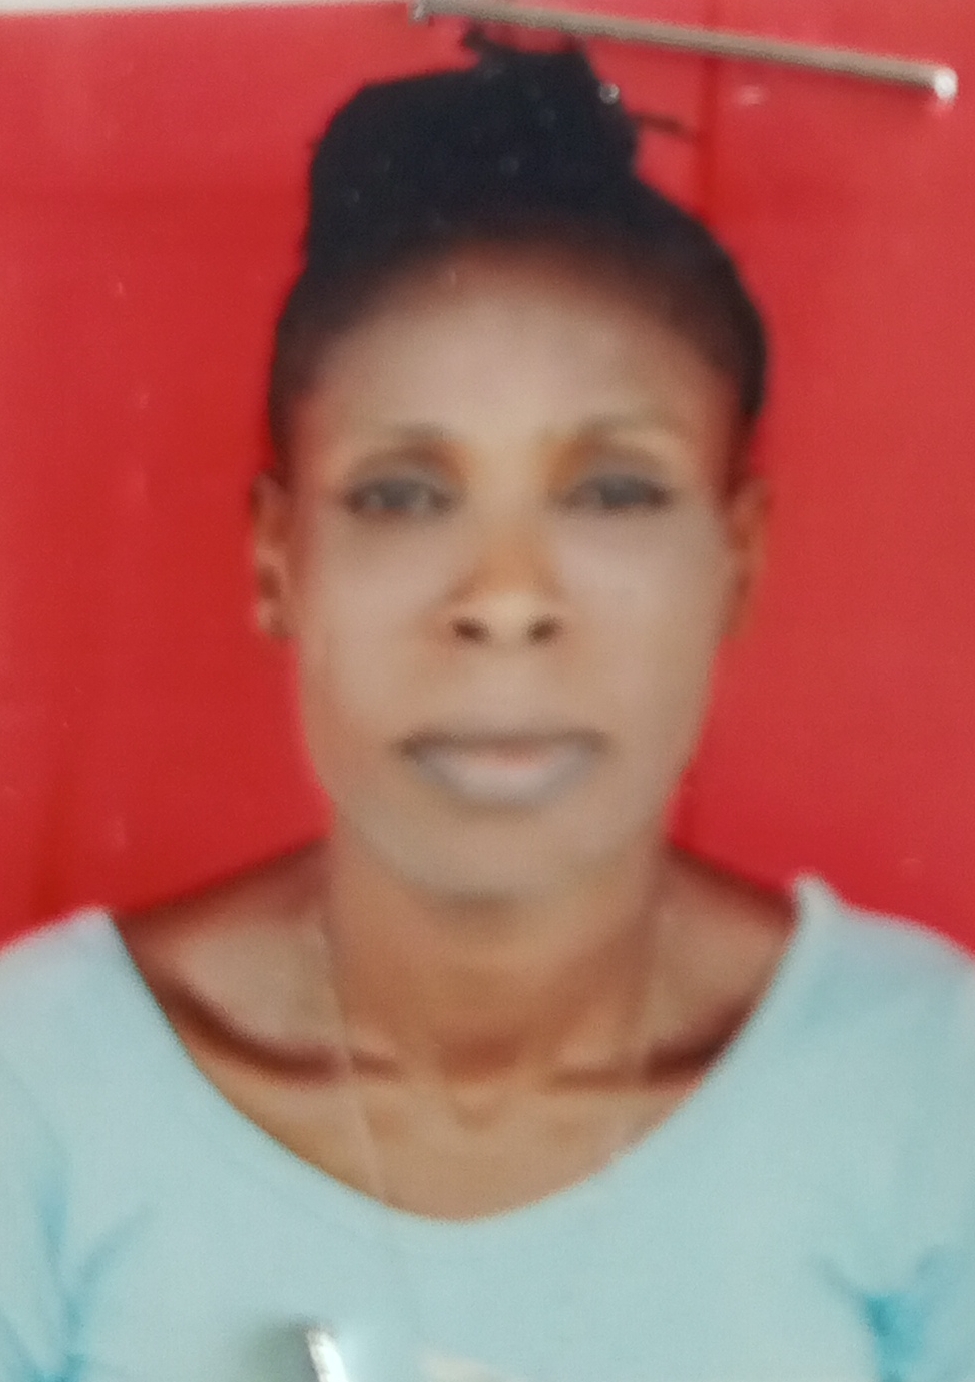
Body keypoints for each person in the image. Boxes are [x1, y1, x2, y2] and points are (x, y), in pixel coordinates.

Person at [0, 37, 973, 1382]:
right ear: (278, 559)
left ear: (737, 559)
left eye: (613, 490)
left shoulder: (926, 1079)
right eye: (402, 494)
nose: (505, 599)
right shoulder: (41, 1084)